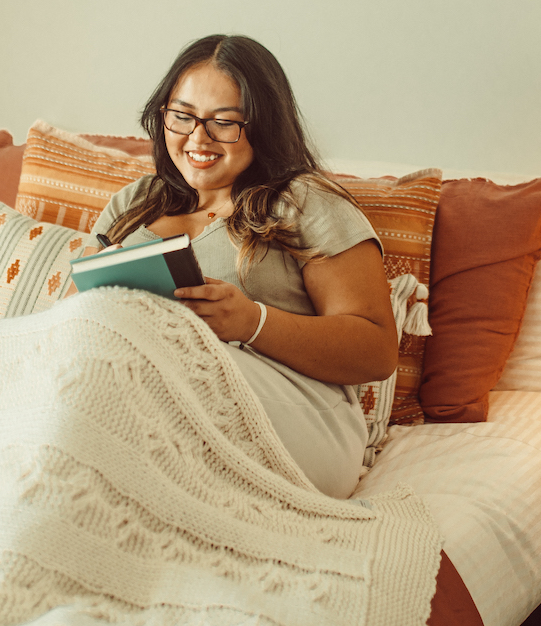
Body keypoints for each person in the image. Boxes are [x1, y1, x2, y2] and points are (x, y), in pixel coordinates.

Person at [90, 35, 398, 499]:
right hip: (135, 392)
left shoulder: (307, 203)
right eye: (182, 116)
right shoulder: (133, 203)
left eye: (224, 123)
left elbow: (375, 350)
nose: (198, 138)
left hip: (298, 415)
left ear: (265, 126)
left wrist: (253, 322)